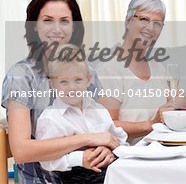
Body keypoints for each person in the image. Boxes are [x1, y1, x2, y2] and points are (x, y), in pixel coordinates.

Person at [1, 0, 119, 183]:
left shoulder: (87, 72)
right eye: (47, 20)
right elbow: (21, 151)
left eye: (64, 21)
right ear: (34, 26)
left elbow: (106, 125)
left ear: (74, 27)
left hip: (95, 176)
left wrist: (106, 149)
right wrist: (88, 139)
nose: (57, 29)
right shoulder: (21, 76)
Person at [96, 0, 186, 145]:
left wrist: (173, 105)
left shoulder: (158, 67)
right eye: (144, 19)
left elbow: (182, 101)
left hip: (159, 151)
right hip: (126, 158)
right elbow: (108, 126)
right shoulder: (109, 69)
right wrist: (152, 123)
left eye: (157, 23)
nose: (150, 28)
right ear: (128, 21)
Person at [36, 44, 128, 183]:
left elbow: (119, 139)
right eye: (63, 82)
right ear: (52, 84)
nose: (72, 87)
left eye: (78, 80)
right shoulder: (50, 119)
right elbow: (46, 160)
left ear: (88, 80)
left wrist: (110, 151)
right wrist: (79, 158)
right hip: (74, 177)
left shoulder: (98, 110)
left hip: (107, 171)